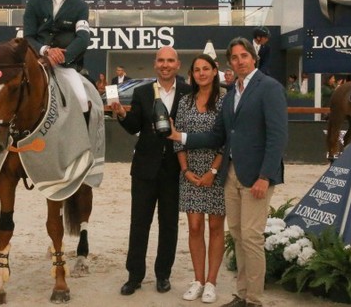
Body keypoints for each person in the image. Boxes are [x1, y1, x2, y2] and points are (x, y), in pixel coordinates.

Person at [169, 37, 288, 307]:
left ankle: (255, 300)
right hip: (231, 174)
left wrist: (265, 176)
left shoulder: (269, 87)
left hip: (257, 175)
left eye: (243, 55)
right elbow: (219, 135)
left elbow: (278, 136)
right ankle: (242, 294)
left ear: (253, 58)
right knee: (237, 235)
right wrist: (182, 136)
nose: (239, 61)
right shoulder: (233, 91)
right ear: (230, 63)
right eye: (234, 57)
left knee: (252, 237)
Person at [108, 46, 191, 296]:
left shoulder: (188, 93)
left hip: (174, 170)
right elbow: (135, 126)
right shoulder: (142, 91)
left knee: (169, 225)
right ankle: (134, 276)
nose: (165, 65)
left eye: (170, 61)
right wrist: (122, 114)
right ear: (155, 64)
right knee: (139, 223)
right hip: (144, 168)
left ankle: (163, 274)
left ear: (178, 65)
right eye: (161, 61)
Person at [173, 54, 225, 303]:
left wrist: (213, 171)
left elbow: (228, 140)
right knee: (194, 227)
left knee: (216, 227)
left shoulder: (226, 100)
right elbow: (176, 137)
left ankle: (212, 282)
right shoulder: (185, 102)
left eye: (206, 68)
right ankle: (198, 280)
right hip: (190, 172)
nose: (201, 73)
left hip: (216, 173)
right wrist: (185, 170)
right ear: (192, 74)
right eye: (197, 70)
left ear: (215, 71)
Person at [24, 0, 92, 120]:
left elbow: (83, 38)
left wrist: (62, 56)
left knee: (83, 100)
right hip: (37, 62)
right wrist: (46, 51)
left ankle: (84, 142)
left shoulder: (80, 6)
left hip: (65, 65)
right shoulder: (35, 2)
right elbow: (28, 37)